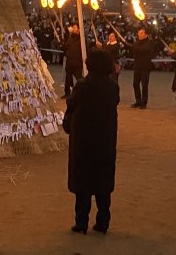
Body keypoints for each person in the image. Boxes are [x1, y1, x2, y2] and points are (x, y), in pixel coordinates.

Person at [62, 49, 119, 235]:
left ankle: (81, 222)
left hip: (84, 141)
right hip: (104, 141)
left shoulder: (82, 86)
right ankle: (103, 222)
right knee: (103, 184)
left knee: (83, 185)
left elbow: (72, 104)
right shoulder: (112, 87)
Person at [62, 24, 84, 98]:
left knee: (79, 78)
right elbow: (65, 46)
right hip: (70, 61)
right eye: (73, 27)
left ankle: (81, 93)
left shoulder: (82, 38)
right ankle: (67, 93)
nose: (73, 29)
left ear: (78, 29)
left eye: (75, 27)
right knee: (68, 78)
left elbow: (84, 49)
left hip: (77, 62)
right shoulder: (71, 37)